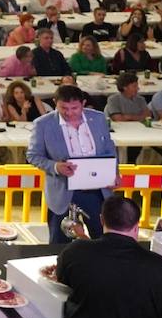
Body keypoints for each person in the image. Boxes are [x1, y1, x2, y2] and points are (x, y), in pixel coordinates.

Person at [28, 85, 117, 244]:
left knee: (103, 238)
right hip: (64, 191)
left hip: (97, 190)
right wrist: (55, 166)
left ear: (83, 103)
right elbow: (33, 156)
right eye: (64, 108)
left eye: (74, 108)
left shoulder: (98, 118)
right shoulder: (43, 124)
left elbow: (109, 148)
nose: (69, 113)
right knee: (59, 243)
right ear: (55, 102)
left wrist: (114, 173)